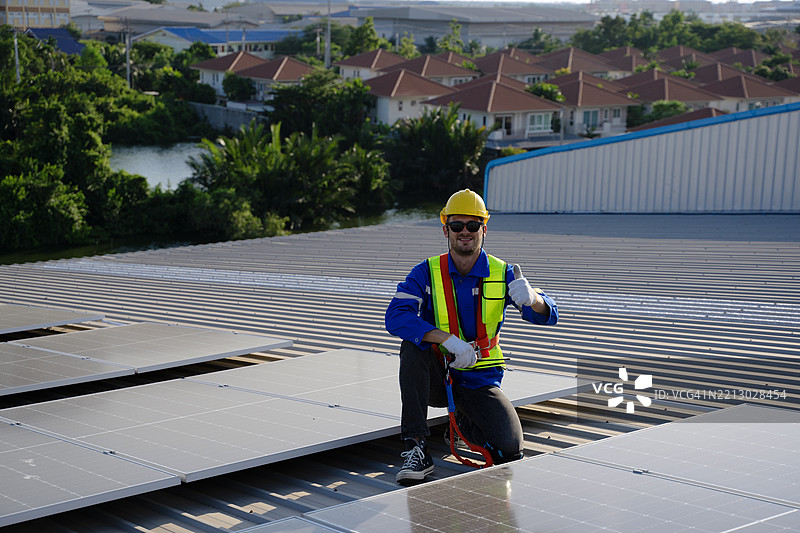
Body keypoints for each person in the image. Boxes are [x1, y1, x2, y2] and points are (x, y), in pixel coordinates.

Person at [384, 189, 558, 483]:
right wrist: (445, 340)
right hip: (438, 377)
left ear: (484, 229)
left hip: (479, 378)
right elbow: (396, 317)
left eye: (473, 225)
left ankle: (463, 422)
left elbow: (548, 315)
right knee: (412, 348)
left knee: (510, 449)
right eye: (456, 226)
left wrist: (534, 299)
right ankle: (416, 447)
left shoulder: (503, 273)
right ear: (445, 230)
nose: (465, 232)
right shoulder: (425, 272)